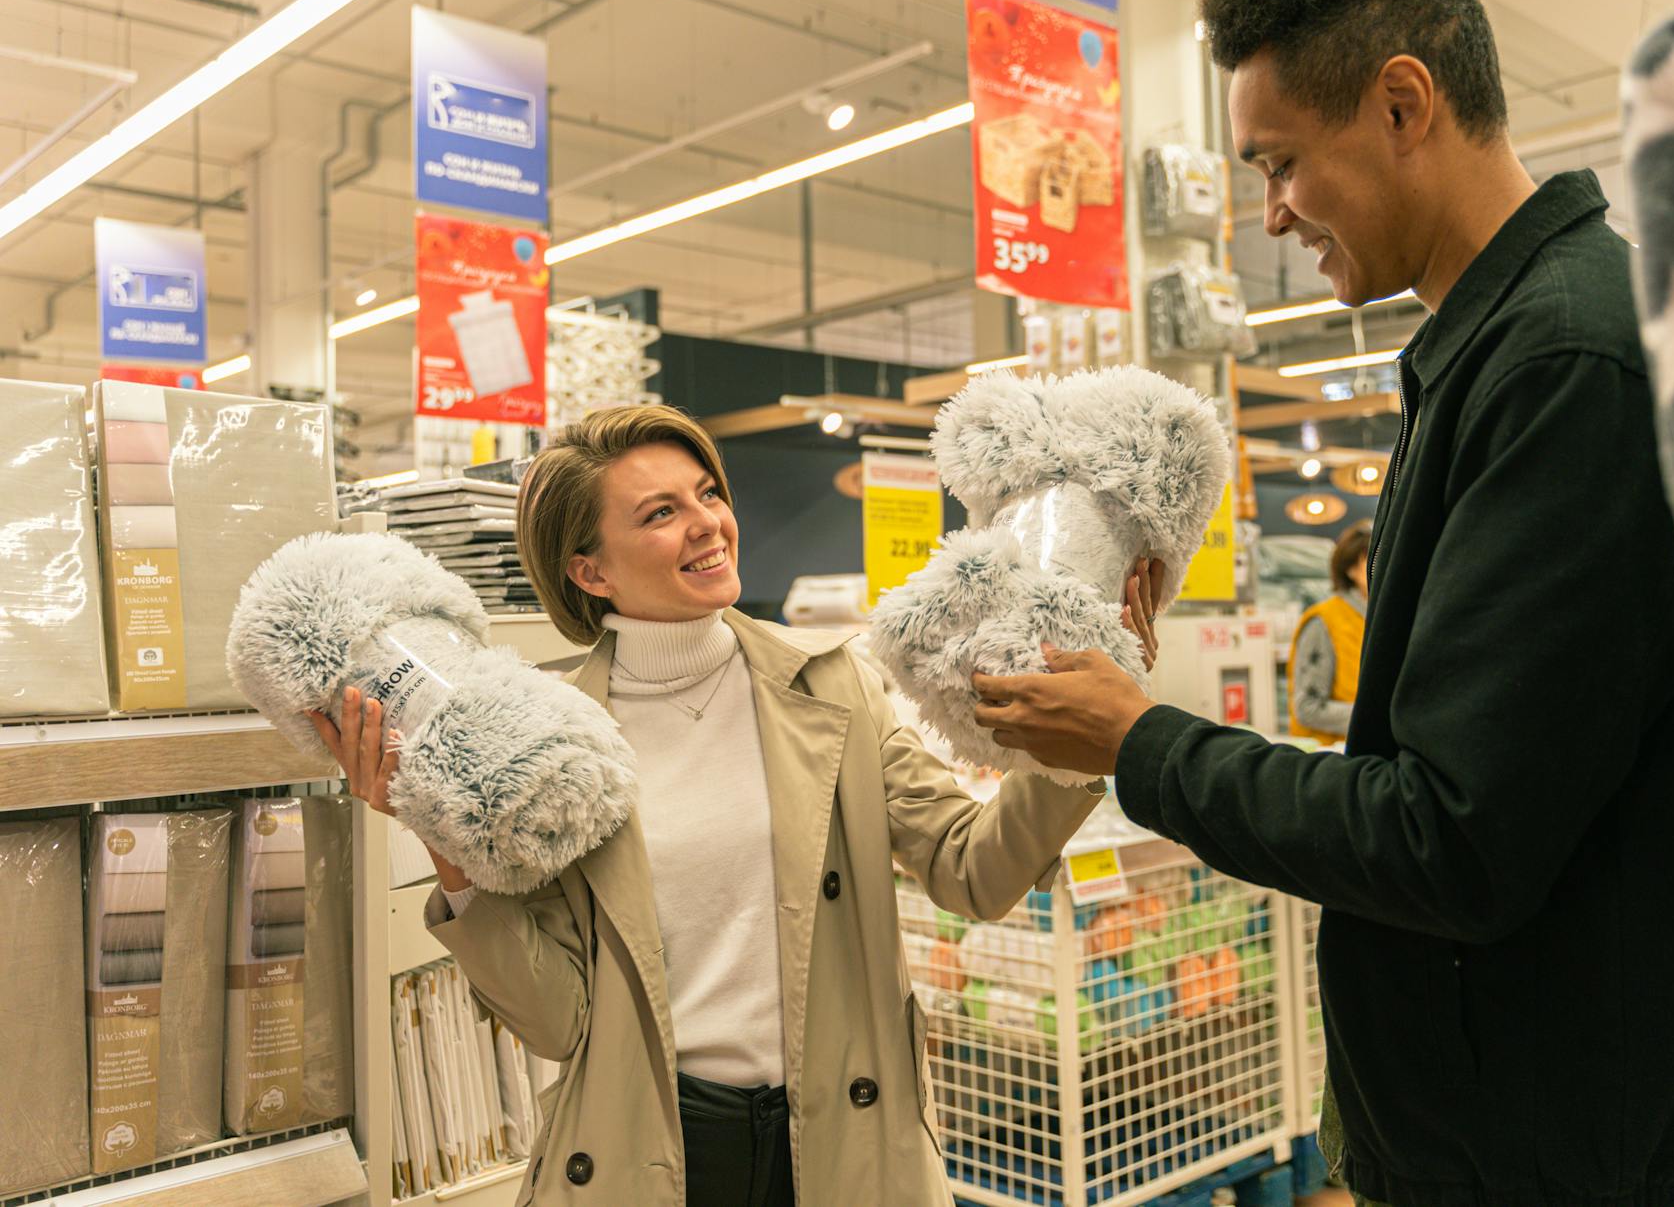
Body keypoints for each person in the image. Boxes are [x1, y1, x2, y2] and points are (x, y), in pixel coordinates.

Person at [968, 0, 1674, 1206]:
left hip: (1559, 1152)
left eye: (1282, 164)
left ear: (1403, 103)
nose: (1272, 214)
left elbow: (1451, 839)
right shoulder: (1501, 351)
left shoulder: (1567, 367)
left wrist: (1143, 740)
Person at [309, 404, 1163, 1207]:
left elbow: (973, 870)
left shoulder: (834, 683)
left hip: (841, 1135)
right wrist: (437, 829)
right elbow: (557, 1018)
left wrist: (1093, 732)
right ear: (589, 569)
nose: (707, 522)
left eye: (708, 493)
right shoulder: (550, 738)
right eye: (659, 513)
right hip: (659, 1148)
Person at [1287, 521, 1370, 745]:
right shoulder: (1323, 621)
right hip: (1333, 759)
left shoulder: (1386, 619)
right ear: (1350, 568)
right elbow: (1308, 707)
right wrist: (1377, 717)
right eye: (1370, 561)